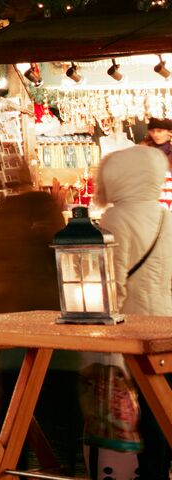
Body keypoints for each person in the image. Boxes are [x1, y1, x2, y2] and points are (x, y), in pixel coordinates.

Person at [97, 145, 172, 477]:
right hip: (166, 323)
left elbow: (113, 285)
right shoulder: (166, 216)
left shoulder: (114, 219)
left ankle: (149, 470)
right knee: (164, 401)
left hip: (132, 329)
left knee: (141, 404)